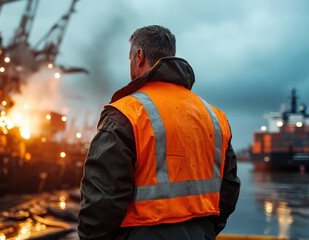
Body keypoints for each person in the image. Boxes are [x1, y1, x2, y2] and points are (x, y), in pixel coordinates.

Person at [78, 25, 240, 240]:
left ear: (139, 56)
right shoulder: (215, 117)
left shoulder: (126, 114)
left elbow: (102, 201)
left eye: (129, 58)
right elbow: (228, 191)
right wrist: (204, 231)